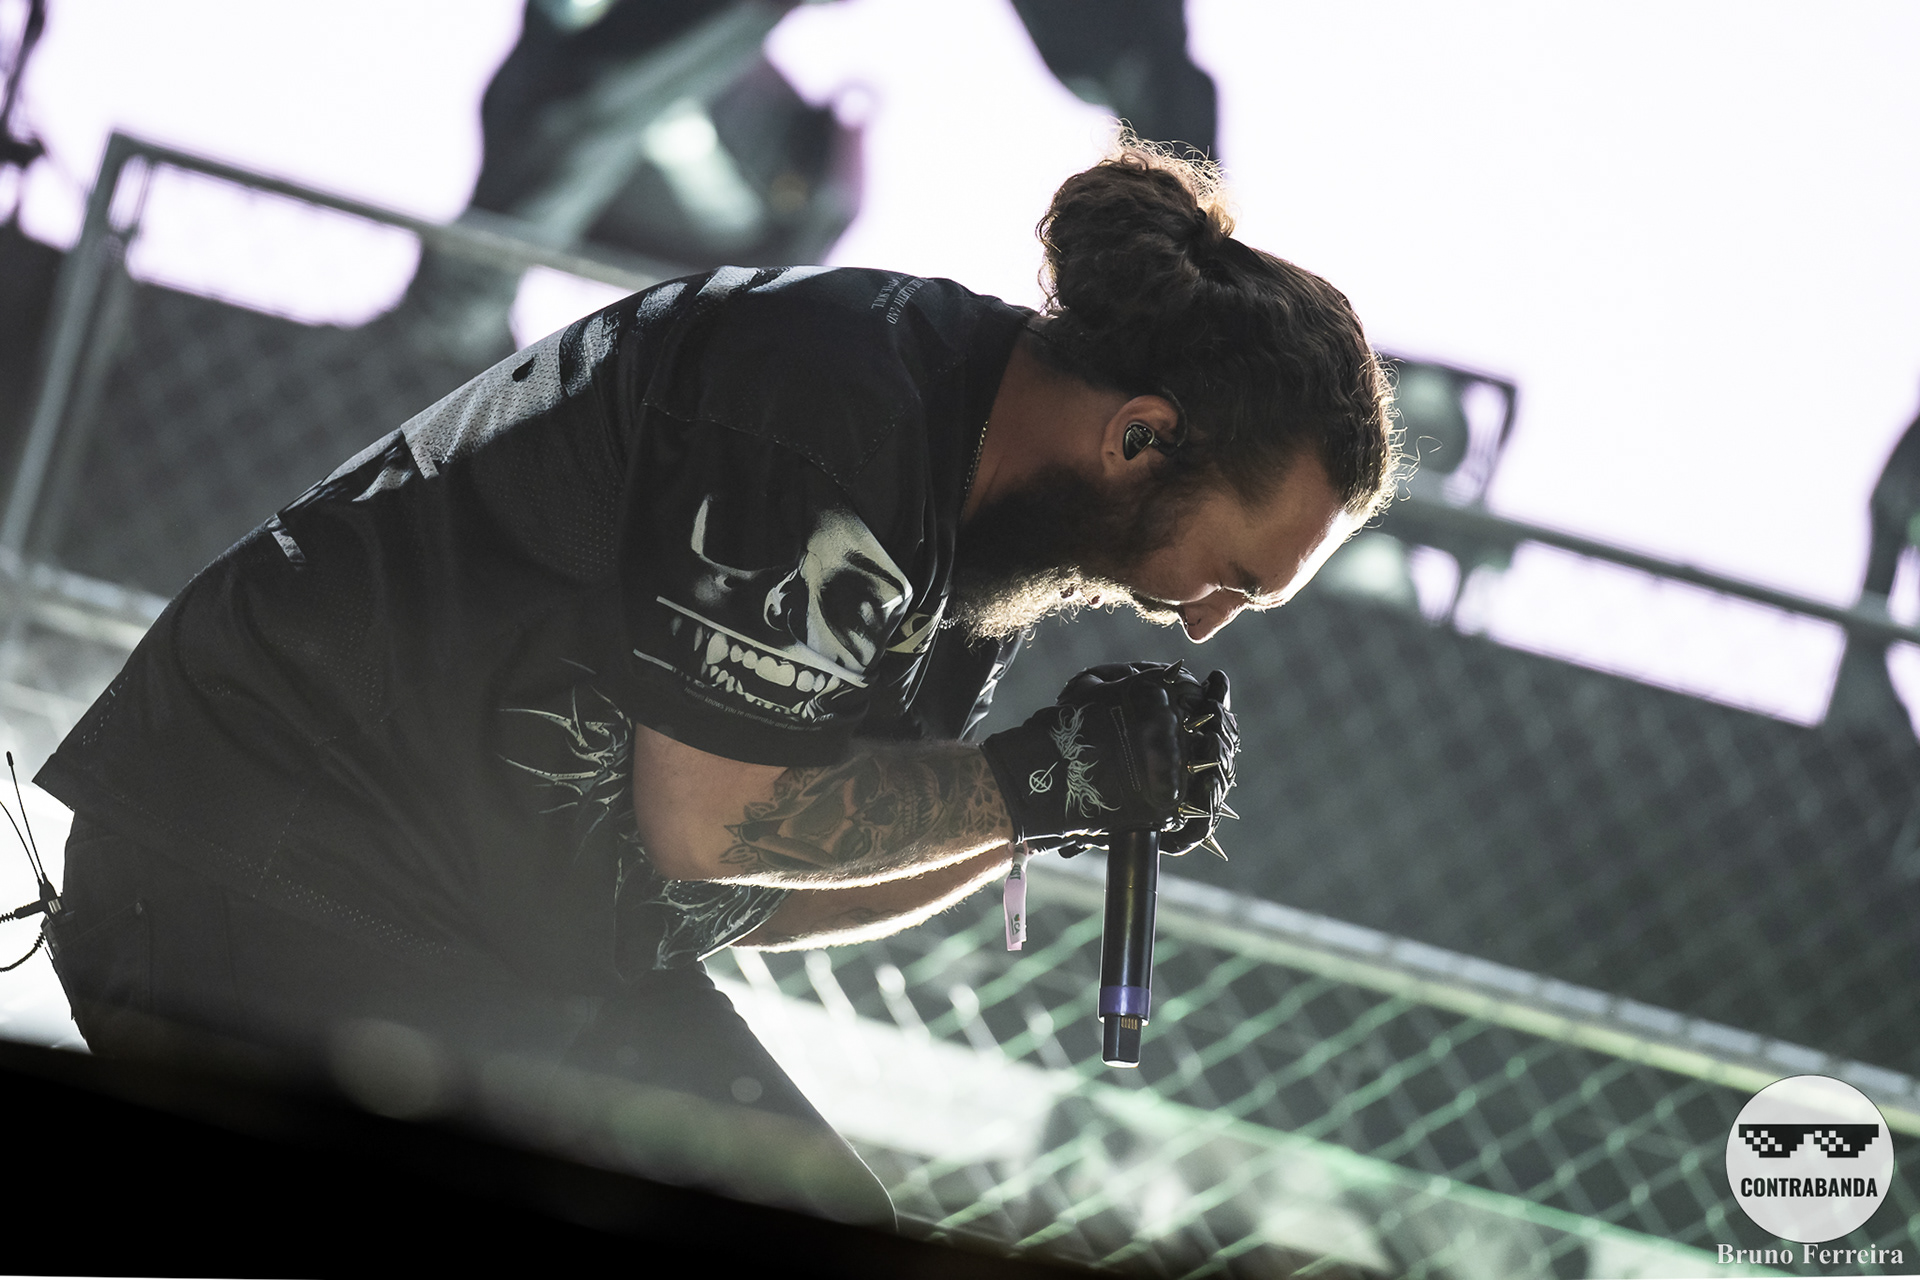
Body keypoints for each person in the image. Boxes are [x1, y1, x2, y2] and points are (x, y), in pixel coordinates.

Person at [35, 141, 1395, 1222]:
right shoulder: (838, 412)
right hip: (264, 866)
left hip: (480, 926)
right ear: (1139, 438)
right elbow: (714, 821)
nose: (1204, 623)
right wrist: (1025, 780)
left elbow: (747, 882)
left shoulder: (987, 543)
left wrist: (1046, 809)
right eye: (1233, 575)